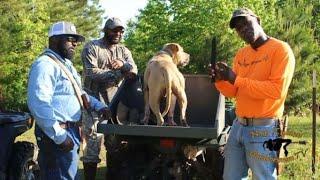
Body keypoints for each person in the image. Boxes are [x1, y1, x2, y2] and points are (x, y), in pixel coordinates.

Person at [211, 8, 295, 180]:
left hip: (263, 128)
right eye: (238, 28)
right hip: (238, 126)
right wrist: (220, 81)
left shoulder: (281, 50)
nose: (243, 29)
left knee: (263, 176)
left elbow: (275, 91)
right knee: (230, 177)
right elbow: (234, 92)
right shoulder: (242, 54)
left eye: (246, 23)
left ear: (257, 19)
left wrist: (235, 79)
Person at [27, 21, 110, 180]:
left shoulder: (65, 65)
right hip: (57, 133)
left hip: (69, 131)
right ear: (55, 40)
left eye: (76, 41)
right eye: (70, 39)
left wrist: (99, 106)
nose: (75, 44)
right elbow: (38, 103)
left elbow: (78, 93)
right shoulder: (45, 65)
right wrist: (59, 136)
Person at [81, 17, 142, 179]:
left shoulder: (123, 51)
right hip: (92, 103)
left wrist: (123, 64)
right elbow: (91, 72)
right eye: (114, 30)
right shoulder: (92, 47)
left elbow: (134, 70)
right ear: (106, 30)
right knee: (92, 146)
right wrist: (118, 73)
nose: (118, 34)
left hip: (115, 104)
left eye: (121, 31)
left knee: (115, 144)